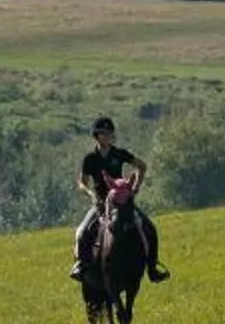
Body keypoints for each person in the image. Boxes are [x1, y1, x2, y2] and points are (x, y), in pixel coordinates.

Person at [70, 116, 168, 283]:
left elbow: (142, 166)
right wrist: (90, 194)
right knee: (82, 232)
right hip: (101, 203)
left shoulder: (119, 153)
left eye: (109, 133)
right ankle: (81, 265)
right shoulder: (90, 159)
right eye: (103, 133)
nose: (107, 136)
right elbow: (81, 182)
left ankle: (152, 267)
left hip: (122, 203)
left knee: (149, 227)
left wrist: (135, 188)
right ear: (96, 136)